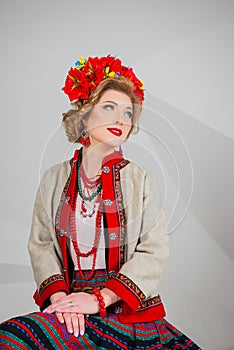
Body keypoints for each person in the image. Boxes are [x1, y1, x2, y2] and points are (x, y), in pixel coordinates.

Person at [0, 55, 201, 349]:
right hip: (71, 309)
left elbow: (153, 252)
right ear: (84, 114)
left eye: (128, 113)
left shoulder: (140, 179)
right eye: (109, 107)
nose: (121, 119)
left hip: (127, 315)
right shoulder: (53, 179)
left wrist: (99, 299)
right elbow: (41, 244)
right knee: (11, 339)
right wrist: (62, 303)